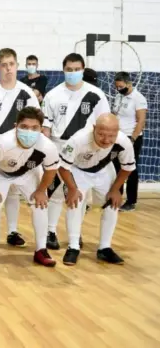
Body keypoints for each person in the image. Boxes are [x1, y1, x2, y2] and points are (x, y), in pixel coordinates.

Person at [42, 53, 110, 250]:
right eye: (69, 70)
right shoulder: (52, 95)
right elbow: (46, 128)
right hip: (58, 146)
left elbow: (104, 124)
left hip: (85, 150)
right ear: (63, 70)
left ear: (83, 69)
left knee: (80, 194)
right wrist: (47, 153)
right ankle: (50, 231)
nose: (73, 73)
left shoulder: (96, 95)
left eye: (76, 69)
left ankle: (76, 233)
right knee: (54, 193)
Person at [0, 107, 59, 267]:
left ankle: (41, 249)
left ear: (41, 129)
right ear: (16, 126)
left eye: (34, 128)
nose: (29, 131)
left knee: (40, 205)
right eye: (24, 127)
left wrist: (41, 191)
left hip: (28, 173)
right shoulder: (3, 142)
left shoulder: (48, 147)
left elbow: (51, 170)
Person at [0, 48, 40, 248]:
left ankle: (12, 231)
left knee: (14, 191)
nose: (8, 68)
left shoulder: (27, 92)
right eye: (4, 65)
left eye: (11, 64)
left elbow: (36, 121)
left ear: (17, 66)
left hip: (21, 146)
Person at [59, 114, 135, 265]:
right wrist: (72, 189)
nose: (106, 140)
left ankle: (104, 248)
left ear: (118, 131)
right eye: (101, 134)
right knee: (75, 203)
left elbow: (128, 167)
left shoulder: (124, 141)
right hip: (77, 170)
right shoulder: (78, 140)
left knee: (112, 204)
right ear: (94, 128)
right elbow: (63, 167)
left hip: (104, 170)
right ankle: (73, 246)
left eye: (111, 136)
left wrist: (115, 190)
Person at [112, 72, 147, 212]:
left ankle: (131, 201)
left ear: (128, 84)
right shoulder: (119, 96)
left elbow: (141, 121)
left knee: (130, 169)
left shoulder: (138, 98)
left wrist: (132, 138)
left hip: (131, 138)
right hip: (117, 136)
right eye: (117, 87)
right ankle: (116, 196)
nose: (119, 89)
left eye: (121, 86)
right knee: (115, 168)